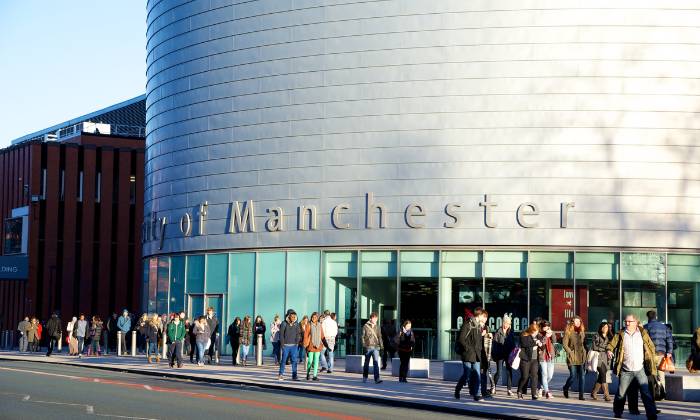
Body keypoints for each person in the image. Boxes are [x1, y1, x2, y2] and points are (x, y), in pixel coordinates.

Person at [608, 314, 658, 420]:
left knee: (646, 393)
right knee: (621, 393)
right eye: (625, 321)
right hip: (626, 370)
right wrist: (609, 350)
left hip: (640, 369)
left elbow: (651, 346)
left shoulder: (643, 333)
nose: (627, 323)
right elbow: (611, 344)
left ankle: (652, 414)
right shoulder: (621, 333)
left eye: (629, 321)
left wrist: (652, 360)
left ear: (636, 322)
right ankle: (618, 412)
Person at [455, 307, 488, 401]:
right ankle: (457, 389)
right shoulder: (468, 324)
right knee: (466, 375)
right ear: (479, 315)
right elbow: (461, 339)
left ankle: (476, 394)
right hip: (468, 354)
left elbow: (477, 341)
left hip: (476, 354)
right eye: (483, 315)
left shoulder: (478, 326)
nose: (484, 318)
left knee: (477, 374)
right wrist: (468, 348)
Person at [644, 310, 674, 393]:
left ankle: (654, 392)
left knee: (651, 374)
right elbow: (670, 340)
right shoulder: (664, 327)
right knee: (661, 374)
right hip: (662, 354)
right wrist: (669, 352)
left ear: (648, 317)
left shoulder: (646, 327)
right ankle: (662, 392)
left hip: (650, 355)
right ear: (656, 317)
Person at [563, 315, 587, 400]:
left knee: (582, 376)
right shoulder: (568, 331)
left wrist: (585, 352)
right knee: (573, 376)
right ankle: (566, 388)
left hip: (581, 357)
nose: (577, 323)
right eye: (575, 321)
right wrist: (570, 352)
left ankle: (581, 395)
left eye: (579, 321)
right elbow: (565, 344)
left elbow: (583, 344)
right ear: (572, 322)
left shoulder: (582, 332)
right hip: (572, 357)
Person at [492, 315, 516, 396]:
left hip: (509, 354)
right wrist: (495, 354)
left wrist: (514, 353)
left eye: (508, 324)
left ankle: (509, 389)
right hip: (500, 354)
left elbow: (513, 343)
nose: (506, 325)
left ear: (510, 324)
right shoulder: (498, 331)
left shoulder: (511, 332)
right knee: (499, 372)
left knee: (509, 372)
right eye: (505, 323)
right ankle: (493, 387)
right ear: (502, 323)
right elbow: (494, 344)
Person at [517, 323, 542, 400]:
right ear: (531, 331)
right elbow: (525, 344)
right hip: (525, 358)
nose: (536, 334)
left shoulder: (538, 336)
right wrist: (535, 343)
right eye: (534, 332)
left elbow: (542, 344)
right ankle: (519, 391)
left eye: (537, 332)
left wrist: (541, 345)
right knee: (525, 376)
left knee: (534, 376)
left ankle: (534, 394)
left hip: (534, 359)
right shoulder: (523, 335)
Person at [591, 322, 612, 401]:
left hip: (606, 358)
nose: (605, 328)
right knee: (603, 375)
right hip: (598, 357)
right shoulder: (596, 336)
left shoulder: (609, 336)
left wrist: (608, 349)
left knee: (601, 376)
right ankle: (606, 395)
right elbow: (594, 347)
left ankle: (594, 392)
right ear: (601, 328)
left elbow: (611, 346)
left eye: (607, 327)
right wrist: (606, 348)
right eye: (604, 327)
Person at [278, 309, 302, 381]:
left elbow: (298, 334)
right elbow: (281, 335)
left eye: (295, 316)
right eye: (292, 316)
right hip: (285, 346)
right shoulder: (284, 323)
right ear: (288, 316)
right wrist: (282, 345)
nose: (294, 318)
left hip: (294, 346)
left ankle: (294, 375)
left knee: (294, 361)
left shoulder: (296, 324)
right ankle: (281, 374)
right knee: (284, 360)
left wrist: (297, 342)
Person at [362, 312, 384, 384]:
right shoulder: (365, 326)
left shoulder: (377, 327)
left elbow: (379, 337)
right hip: (368, 347)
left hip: (376, 347)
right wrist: (364, 345)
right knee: (366, 363)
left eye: (376, 318)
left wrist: (381, 346)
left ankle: (377, 379)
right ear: (371, 318)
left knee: (376, 363)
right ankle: (365, 377)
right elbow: (362, 337)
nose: (375, 320)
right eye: (374, 318)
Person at [537, 320, 557, 399]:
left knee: (550, 376)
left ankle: (541, 388)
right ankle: (547, 392)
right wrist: (546, 336)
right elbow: (542, 343)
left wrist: (552, 334)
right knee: (544, 374)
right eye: (545, 326)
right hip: (542, 356)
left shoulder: (551, 332)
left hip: (550, 356)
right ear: (542, 327)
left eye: (547, 326)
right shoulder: (539, 334)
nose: (546, 328)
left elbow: (555, 341)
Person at [303, 312, 325, 381]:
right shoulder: (308, 325)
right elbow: (306, 336)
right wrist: (305, 345)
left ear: (317, 318)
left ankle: (315, 376)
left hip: (318, 346)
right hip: (311, 346)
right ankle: (308, 374)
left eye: (315, 317)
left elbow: (322, 336)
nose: (313, 318)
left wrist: (326, 344)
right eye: (312, 317)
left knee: (316, 362)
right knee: (310, 361)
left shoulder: (320, 325)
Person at [481, 322, 495, 397]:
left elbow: (491, 339)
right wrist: (481, 335)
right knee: (476, 373)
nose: (484, 320)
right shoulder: (476, 328)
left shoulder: (487, 327)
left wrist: (491, 336)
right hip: (478, 354)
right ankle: (473, 389)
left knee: (484, 373)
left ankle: (484, 391)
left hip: (486, 355)